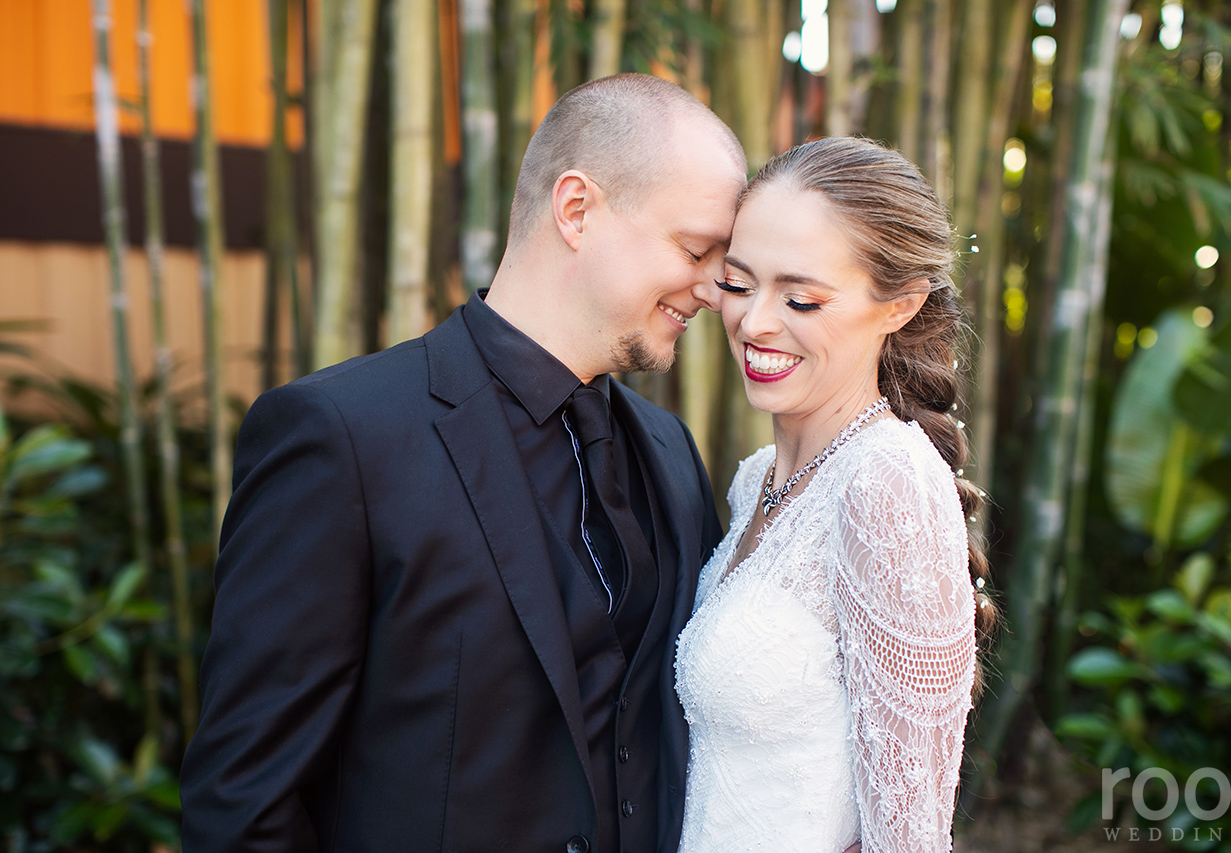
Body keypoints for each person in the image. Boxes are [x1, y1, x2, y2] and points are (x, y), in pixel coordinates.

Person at [179, 73, 746, 853]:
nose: (717, 290)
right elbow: (245, 801)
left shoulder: (671, 452)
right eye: (696, 249)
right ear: (576, 209)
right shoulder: (341, 436)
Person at [674, 137, 998, 853]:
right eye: (737, 283)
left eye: (800, 297)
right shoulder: (757, 476)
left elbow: (908, 835)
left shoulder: (887, 482)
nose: (755, 321)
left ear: (900, 305)